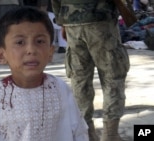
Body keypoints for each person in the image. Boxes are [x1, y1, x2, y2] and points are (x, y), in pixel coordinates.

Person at [0, 7, 88, 141]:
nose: (31, 50)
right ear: (1, 55)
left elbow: (79, 133)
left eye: (40, 41)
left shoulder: (61, 91)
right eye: (20, 42)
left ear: (50, 52)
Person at [51, 0, 130, 141]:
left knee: (79, 80)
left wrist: (62, 20)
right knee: (113, 76)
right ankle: (110, 135)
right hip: (100, 19)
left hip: (72, 21)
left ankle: (86, 134)